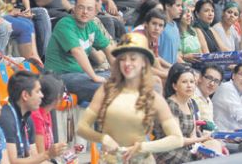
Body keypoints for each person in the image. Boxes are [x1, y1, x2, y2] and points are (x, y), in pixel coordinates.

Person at [77, 31, 184, 162]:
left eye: (133, 58)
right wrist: (103, 138)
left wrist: (143, 147)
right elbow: (81, 127)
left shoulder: (153, 98)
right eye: (122, 59)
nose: (127, 63)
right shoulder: (105, 90)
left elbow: (177, 139)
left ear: (144, 62)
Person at [45, 0, 116, 102]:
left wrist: (118, 73)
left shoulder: (91, 26)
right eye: (81, 7)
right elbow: (77, 51)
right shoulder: (65, 24)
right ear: (74, 8)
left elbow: (108, 48)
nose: (85, 12)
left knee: (120, 81)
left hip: (81, 75)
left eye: (89, 9)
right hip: (60, 76)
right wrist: (94, 77)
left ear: (95, 12)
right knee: (104, 89)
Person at [0, 71, 67, 164]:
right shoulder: (6, 119)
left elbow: (35, 158)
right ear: (25, 95)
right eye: (37, 91)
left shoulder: (27, 118)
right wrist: (48, 154)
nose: (41, 95)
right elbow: (12, 162)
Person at [153, 65, 217, 163]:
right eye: (184, 82)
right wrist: (202, 139)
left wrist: (200, 145)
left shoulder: (190, 102)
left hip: (186, 147)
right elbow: (175, 140)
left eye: (192, 82)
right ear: (174, 86)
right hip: (168, 151)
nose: (189, 85)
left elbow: (192, 135)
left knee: (213, 148)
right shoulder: (171, 105)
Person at [211, 61, 242, 131]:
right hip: (220, 136)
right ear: (233, 75)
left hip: (237, 137)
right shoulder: (226, 88)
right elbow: (240, 116)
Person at [193, 64, 223, 129]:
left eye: (216, 81)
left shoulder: (209, 101)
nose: (212, 84)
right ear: (200, 78)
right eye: (209, 78)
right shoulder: (191, 96)